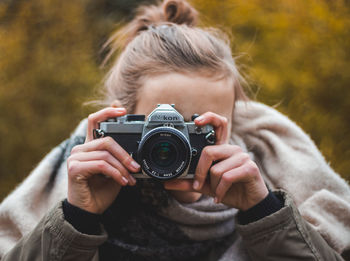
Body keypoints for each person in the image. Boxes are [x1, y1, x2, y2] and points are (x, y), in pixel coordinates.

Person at [0, 0, 349, 260]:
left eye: (198, 127)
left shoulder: (266, 182)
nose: (173, 144)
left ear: (231, 122)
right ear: (121, 123)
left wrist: (263, 213)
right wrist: (77, 218)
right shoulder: (80, 183)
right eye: (158, 127)